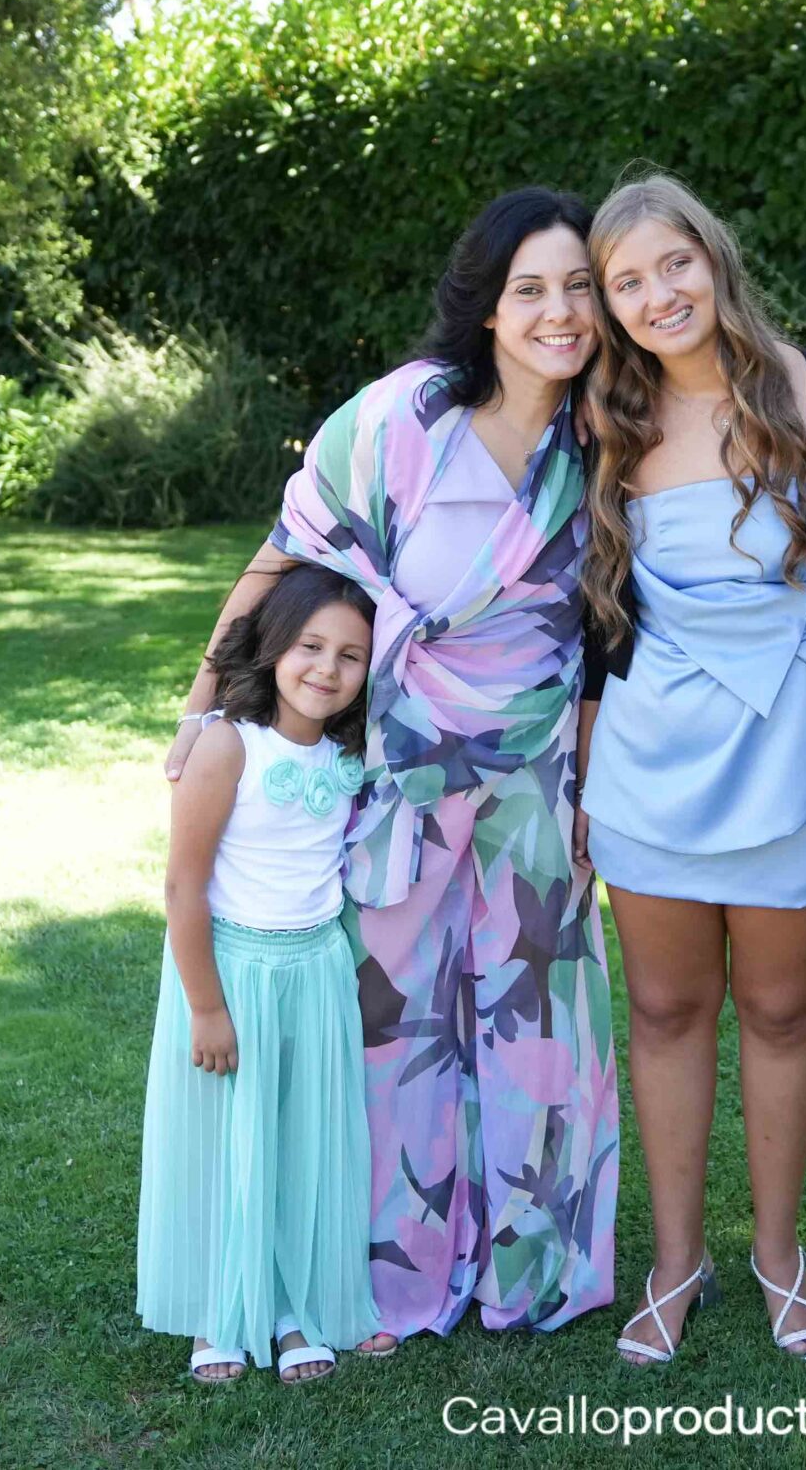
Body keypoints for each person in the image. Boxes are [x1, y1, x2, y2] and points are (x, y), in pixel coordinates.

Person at [163, 188, 620, 1342]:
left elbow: (614, 626)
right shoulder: (398, 421)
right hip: (403, 770)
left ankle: (529, 1273)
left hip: (536, 777)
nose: (559, 313)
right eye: (529, 289)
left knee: (534, 1031)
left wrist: (594, 774)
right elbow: (280, 560)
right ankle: (388, 1278)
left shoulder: (609, 433)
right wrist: (201, 705)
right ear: (487, 305)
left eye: (578, 288)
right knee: (395, 1031)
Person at [573, 173, 806, 1366]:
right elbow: (596, 619)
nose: (657, 294)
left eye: (673, 263)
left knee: (780, 1010)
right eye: (627, 281)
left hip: (799, 753)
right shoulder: (606, 417)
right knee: (665, 1010)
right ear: (609, 305)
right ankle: (677, 1262)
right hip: (651, 759)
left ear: (713, 257)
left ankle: (778, 1253)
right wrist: (584, 765)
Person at [137, 564, 386, 1386]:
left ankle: (290, 1304)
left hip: (315, 970)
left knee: (299, 1139)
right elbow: (183, 887)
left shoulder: (349, 751)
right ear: (274, 643)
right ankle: (220, 1306)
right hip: (233, 971)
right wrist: (206, 1006)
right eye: (310, 645)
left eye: (351, 655)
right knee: (228, 1142)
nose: (327, 668)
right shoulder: (229, 744)